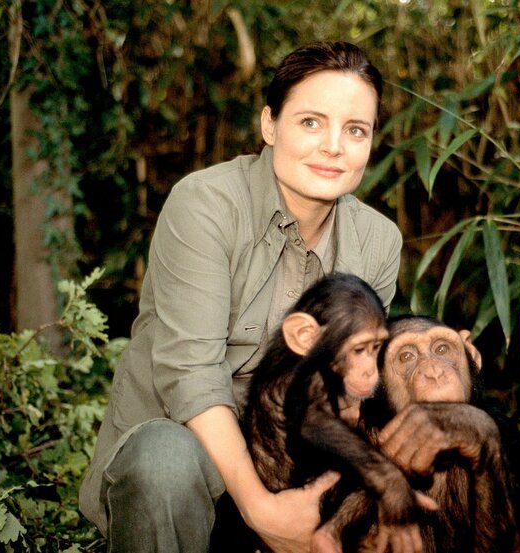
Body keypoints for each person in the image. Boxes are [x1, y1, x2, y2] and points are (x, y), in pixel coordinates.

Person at [78, 41, 402, 553]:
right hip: (189, 458)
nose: (334, 146)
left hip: (289, 448)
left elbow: (353, 388)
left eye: (355, 130)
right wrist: (263, 510)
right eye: (311, 122)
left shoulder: (380, 242)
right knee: (163, 458)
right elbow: (191, 375)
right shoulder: (206, 205)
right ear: (269, 125)